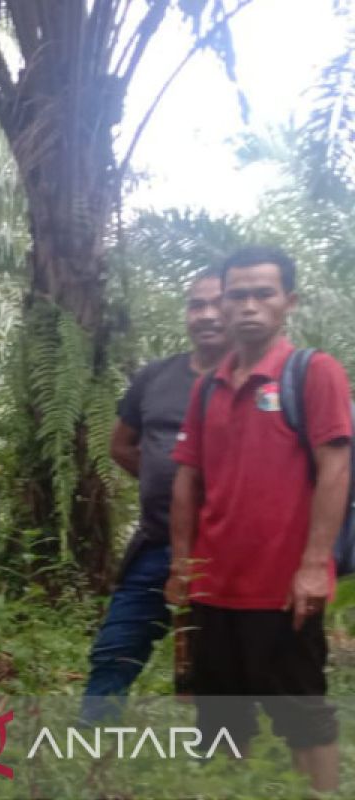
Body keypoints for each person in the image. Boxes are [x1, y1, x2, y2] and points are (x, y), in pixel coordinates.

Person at [168, 246, 349, 792]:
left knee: (302, 714)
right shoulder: (206, 388)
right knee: (220, 720)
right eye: (236, 294)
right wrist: (182, 565)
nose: (248, 306)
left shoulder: (313, 372)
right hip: (214, 587)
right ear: (221, 303)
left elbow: (337, 464)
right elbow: (187, 478)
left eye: (262, 293)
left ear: (287, 302)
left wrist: (316, 564)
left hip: (283, 589)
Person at [79, 270, 228, 722]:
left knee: (222, 660)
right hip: (158, 540)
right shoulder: (156, 376)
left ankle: (223, 763)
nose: (205, 314)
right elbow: (120, 444)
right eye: (195, 304)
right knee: (116, 647)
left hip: (229, 550)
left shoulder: (252, 382)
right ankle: (91, 745)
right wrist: (163, 480)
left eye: (216, 303)